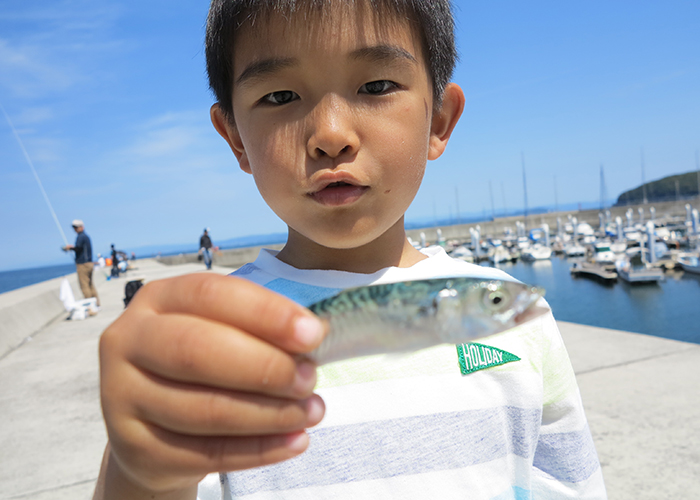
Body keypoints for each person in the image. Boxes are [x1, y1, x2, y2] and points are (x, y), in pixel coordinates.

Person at [93, 1, 607, 499]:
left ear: (439, 120)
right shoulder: (215, 340)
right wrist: (140, 477)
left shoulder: (516, 312)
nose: (331, 135)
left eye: (377, 86)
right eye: (279, 96)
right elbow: (160, 477)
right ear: (236, 140)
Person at [61, 219, 100, 308]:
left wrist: (69, 248)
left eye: (76, 227)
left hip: (83, 264)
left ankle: (90, 307)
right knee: (90, 285)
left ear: (81, 227)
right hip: (90, 263)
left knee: (84, 285)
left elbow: (78, 248)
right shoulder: (86, 236)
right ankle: (97, 304)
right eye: (74, 228)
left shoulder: (81, 237)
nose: (75, 229)